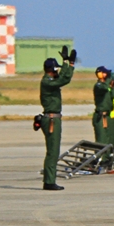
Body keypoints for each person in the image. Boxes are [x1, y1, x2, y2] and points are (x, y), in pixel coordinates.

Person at [39, 47, 76, 191]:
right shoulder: (47, 81)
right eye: (55, 70)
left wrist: (69, 64)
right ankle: (49, 181)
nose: (57, 72)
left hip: (54, 119)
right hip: (51, 120)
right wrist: (67, 63)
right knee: (52, 152)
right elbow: (64, 80)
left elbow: (63, 78)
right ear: (50, 70)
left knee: (53, 151)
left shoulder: (50, 80)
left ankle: (50, 180)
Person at [92, 66, 114, 166]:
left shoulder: (106, 86)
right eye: (105, 73)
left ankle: (107, 159)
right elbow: (105, 88)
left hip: (107, 116)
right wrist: (109, 80)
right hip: (100, 116)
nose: (107, 75)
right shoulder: (99, 85)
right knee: (101, 140)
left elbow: (111, 96)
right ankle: (99, 158)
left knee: (108, 139)